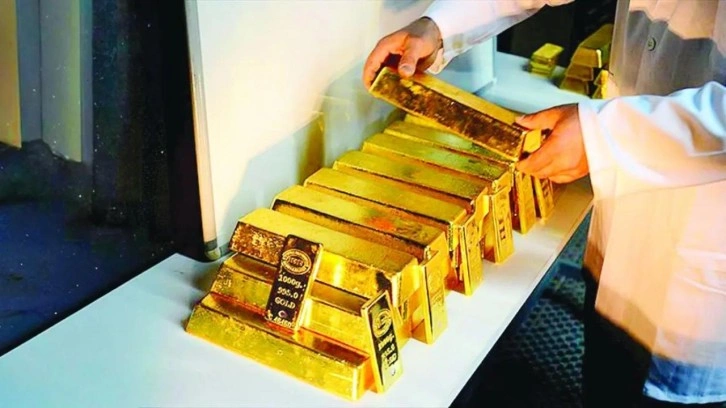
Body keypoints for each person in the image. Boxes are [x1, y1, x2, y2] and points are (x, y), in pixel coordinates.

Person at [364, 1, 726, 407]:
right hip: (621, 230)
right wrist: (441, 25)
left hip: (703, 255)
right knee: (604, 373)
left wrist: (604, 136)